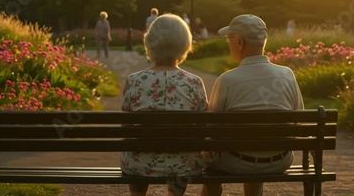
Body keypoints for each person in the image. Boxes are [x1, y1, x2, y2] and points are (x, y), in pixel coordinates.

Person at [202, 14, 304, 196]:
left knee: (210, 160)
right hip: (279, 160)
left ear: (240, 42)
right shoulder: (287, 75)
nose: (228, 43)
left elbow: (212, 130)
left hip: (236, 162)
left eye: (229, 38)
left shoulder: (227, 80)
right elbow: (299, 122)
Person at [120, 14, 208, 196]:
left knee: (135, 152)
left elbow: (126, 127)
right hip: (184, 164)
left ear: (150, 43)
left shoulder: (134, 81)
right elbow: (202, 128)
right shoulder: (194, 82)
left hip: (139, 164)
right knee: (183, 158)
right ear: (185, 45)